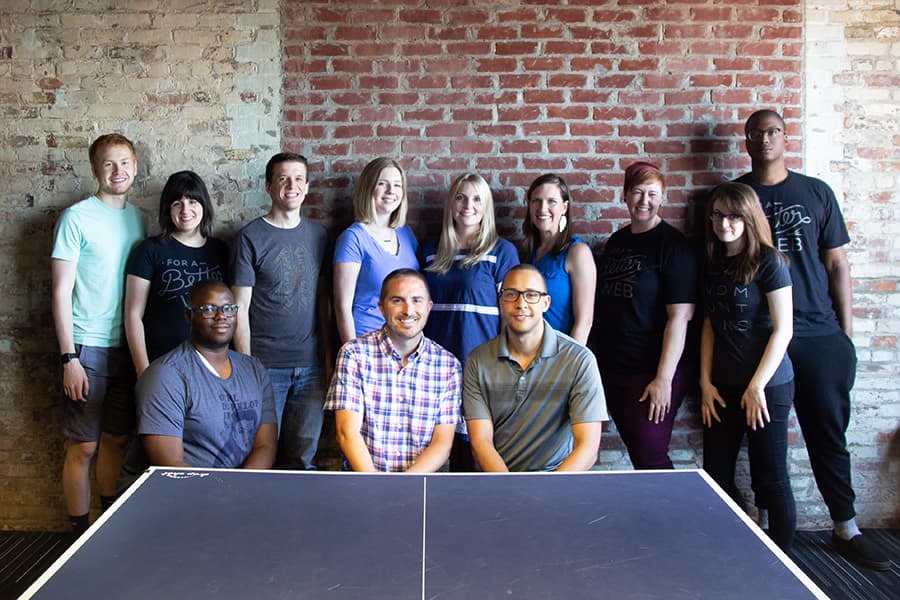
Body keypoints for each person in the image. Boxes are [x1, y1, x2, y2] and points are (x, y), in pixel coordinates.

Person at [735, 109, 889, 569]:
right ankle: (768, 524)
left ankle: (846, 526)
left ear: (786, 137)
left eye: (773, 132)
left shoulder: (816, 192)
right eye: (756, 133)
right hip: (761, 337)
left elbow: (838, 264)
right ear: (746, 141)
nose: (765, 139)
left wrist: (845, 333)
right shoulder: (738, 196)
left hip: (818, 332)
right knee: (764, 437)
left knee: (827, 432)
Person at [51, 133, 146, 535]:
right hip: (86, 346)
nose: (117, 171)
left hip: (128, 346)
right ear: (95, 170)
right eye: (108, 164)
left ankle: (103, 532)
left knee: (116, 440)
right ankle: (74, 537)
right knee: (84, 446)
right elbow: (59, 291)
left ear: (136, 167)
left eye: (124, 162)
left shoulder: (140, 218)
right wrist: (68, 358)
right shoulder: (76, 217)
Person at [699, 182, 796, 551]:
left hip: (767, 387)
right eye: (718, 215)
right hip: (722, 387)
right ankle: (744, 543)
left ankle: (784, 561)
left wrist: (756, 386)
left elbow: (784, 329)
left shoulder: (769, 262)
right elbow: (709, 324)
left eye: (734, 216)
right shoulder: (712, 261)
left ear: (749, 218)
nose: (725, 223)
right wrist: (705, 382)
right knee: (716, 474)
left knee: (770, 478)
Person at [590, 162, 698, 470]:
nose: (644, 200)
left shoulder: (674, 247)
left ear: (662, 197)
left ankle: (673, 517)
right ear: (624, 196)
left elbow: (680, 318)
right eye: (637, 192)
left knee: (650, 454)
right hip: (616, 368)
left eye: (652, 193)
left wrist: (663, 379)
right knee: (637, 449)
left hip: (653, 370)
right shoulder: (617, 241)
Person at [229, 152, 330, 470]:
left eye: (299, 178)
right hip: (265, 367)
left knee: (302, 457)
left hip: (311, 368)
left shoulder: (319, 235)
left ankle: (299, 519)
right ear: (269, 186)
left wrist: (327, 360)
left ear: (308, 187)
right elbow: (239, 308)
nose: (292, 185)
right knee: (261, 453)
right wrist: (246, 368)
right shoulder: (250, 237)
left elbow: (324, 303)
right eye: (283, 178)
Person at [464, 264, 607, 472]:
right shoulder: (478, 361)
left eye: (531, 295)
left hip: (558, 480)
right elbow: (481, 441)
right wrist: (510, 489)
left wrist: (546, 494)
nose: (521, 304)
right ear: (501, 301)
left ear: (546, 303)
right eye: (511, 294)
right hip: (499, 480)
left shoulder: (579, 360)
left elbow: (588, 447)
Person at [420, 173, 519, 470]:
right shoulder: (428, 249)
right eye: (461, 197)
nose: (468, 205)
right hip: (434, 368)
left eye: (477, 199)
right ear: (451, 203)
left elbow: (510, 316)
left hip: (479, 366)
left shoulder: (502, 252)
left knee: (473, 452)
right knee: (432, 448)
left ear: (486, 206)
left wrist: (504, 362)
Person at [324, 269, 461, 472]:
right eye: (397, 300)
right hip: (366, 485)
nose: (408, 310)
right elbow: (347, 433)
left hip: (422, 487)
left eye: (417, 300)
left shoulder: (448, 365)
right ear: (381, 308)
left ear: (429, 307)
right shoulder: (354, 354)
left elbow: (442, 444)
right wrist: (378, 488)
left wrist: (403, 488)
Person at [137, 280, 277, 469]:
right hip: (186, 493)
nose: (221, 316)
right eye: (209, 309)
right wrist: (223, 494)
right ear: (189, 316)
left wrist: (241, 490)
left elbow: (265, 445)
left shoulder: (254, 370)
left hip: (241, 490)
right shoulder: (165, 376)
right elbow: (170, 465)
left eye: (229, 308)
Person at [124, 170, 228, 376]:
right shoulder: (150, 250)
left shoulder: (221, 251)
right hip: (162, 366)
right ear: (168, 209)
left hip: (211, 368)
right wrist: (143, 370)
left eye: (192, 202)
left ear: (204, 206)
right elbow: (132, 314)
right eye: (177, 203)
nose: (185, 210)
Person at [334, 157, 419, 344]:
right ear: (368, 188)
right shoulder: (353, 238)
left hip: (405, 343)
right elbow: (342, 306)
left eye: (397, 185)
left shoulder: (405, 233)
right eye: (383, 184)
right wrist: (352, 353)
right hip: (368, 341)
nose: (391, 191)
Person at [523, 173, 595, 344]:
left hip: (561, 356)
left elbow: (584, 322)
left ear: (564, 207)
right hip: (528, 355)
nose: (542, 208)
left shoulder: (577, 252)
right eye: (536, 201)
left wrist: (568, 366)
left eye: (551, 201)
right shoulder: (528, 253)